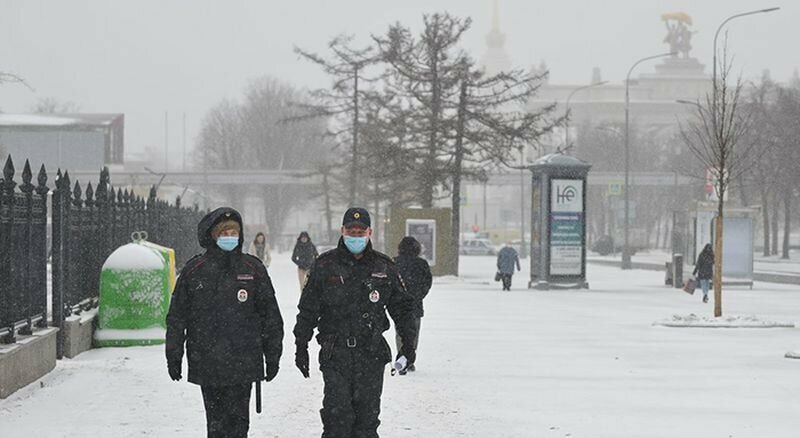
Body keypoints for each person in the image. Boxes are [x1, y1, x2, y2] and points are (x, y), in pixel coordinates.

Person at [293, 207, 417, 437]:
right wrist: (301, 344)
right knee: (336, 419)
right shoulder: (325, 265)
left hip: (370, 354)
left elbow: (403, 308)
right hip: (335, 353)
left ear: (369, 232)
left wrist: (408, 345)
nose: (356, 236)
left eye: (361, 232)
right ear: (342, 231)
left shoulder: (383, 266)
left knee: (366, 422)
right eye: (351, 230)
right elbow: (308, 308)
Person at [166, 207, 284, 438]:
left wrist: (273, 355)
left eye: (234, 232)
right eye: (224, 232)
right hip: (208, 361)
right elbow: (177, 316)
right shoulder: (194, 271)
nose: (230, 236)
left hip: (244, 361)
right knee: (216, 425)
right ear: (212, 234)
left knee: (239, 424)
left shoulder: (253, 268)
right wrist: (174, 354)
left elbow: (270, 315)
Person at [393, 236, 432, 374]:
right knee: (413, 332)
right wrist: (418, 295)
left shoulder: (394, 262)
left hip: (398, 304)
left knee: (400, 332)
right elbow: (427, 283)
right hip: (415, 304)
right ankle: (409, 358)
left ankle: (401, 355)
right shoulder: (421, 264)